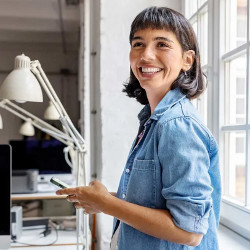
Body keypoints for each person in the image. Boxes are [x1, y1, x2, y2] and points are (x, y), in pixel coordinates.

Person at [56, 6, 221, 250]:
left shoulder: (177, 125)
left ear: (187, 60)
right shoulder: (154, 120)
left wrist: (106, 204)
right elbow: (157, 205)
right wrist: (101, 200)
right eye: (138, 44)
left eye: (162, 44)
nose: (146, 56)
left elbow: (189, 231)